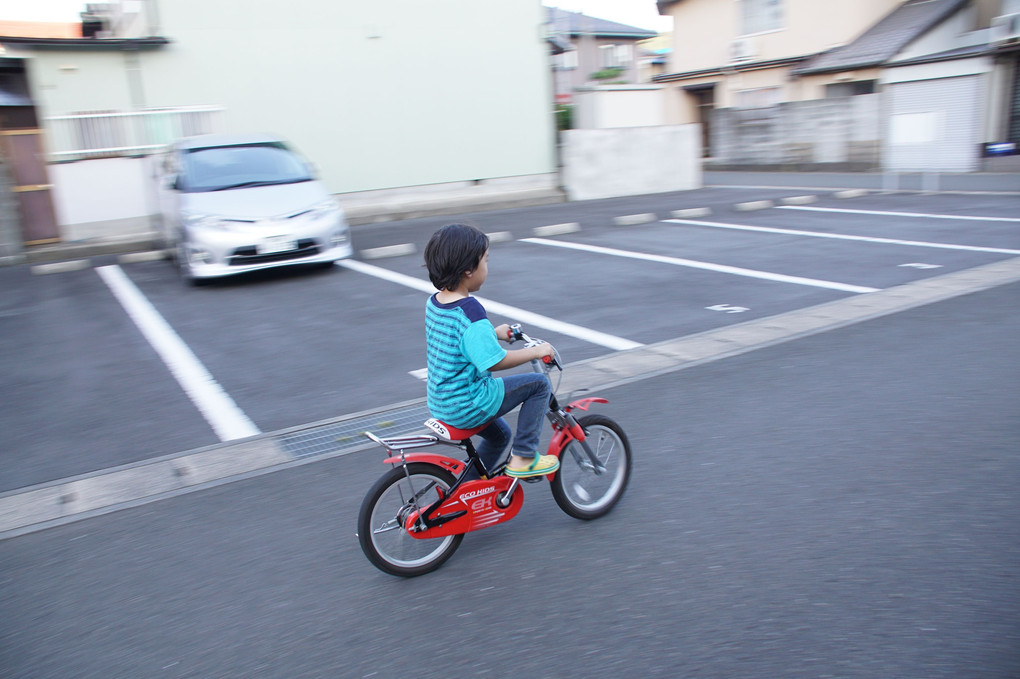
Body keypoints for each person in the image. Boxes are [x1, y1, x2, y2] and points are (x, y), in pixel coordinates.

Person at [423, 223, 559, 478]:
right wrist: (536, 351)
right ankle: (524, 457)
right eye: (485, 261)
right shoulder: (471, 311)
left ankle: (467, 490)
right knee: (539, 384)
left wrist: (493, 333)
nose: (487, 267)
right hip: (468, 403)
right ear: (468, 270)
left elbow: (454, 339)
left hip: (441, 402)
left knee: (500, 436)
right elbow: (493, 361)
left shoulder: (436, 303)